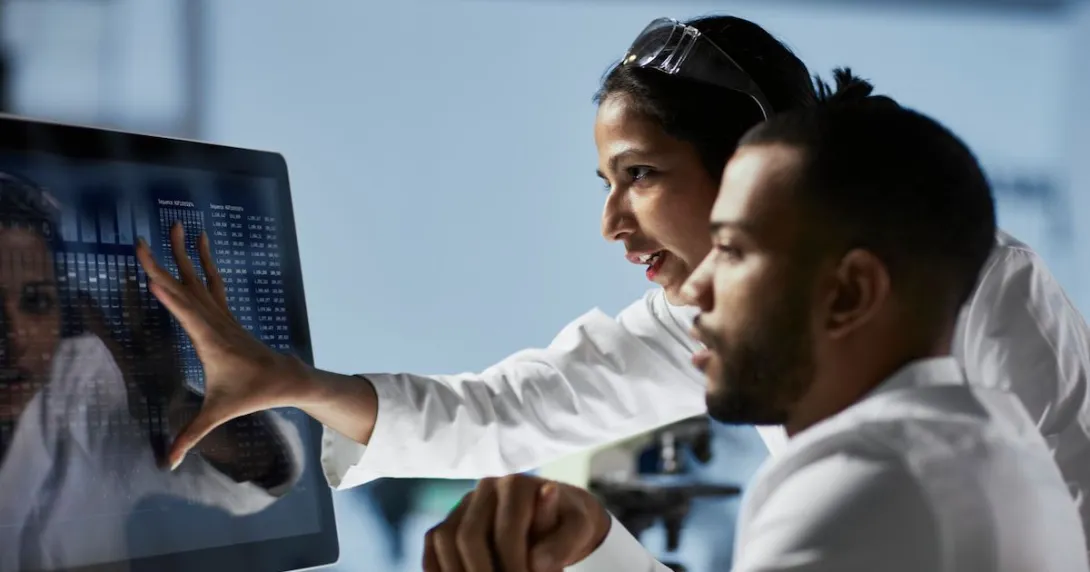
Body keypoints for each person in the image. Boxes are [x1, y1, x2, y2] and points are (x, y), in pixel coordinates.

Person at [134, 12, 1090, 543]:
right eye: (604, 183)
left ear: (758, 163)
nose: (611, 223)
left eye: (640, 175)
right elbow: (503, 411)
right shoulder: (701, 318)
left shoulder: (974, 293)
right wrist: (294, 385)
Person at [421, 73, 1090, 572]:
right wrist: (597, 551)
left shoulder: (866, 480)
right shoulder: (987, 456)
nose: (699, 289)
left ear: (850, 291)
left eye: (732, 251)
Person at [0, 171, 305, 571]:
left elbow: (269, 471)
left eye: (37, 302)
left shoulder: (83, 385)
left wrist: (177, 405)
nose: (15, 336)